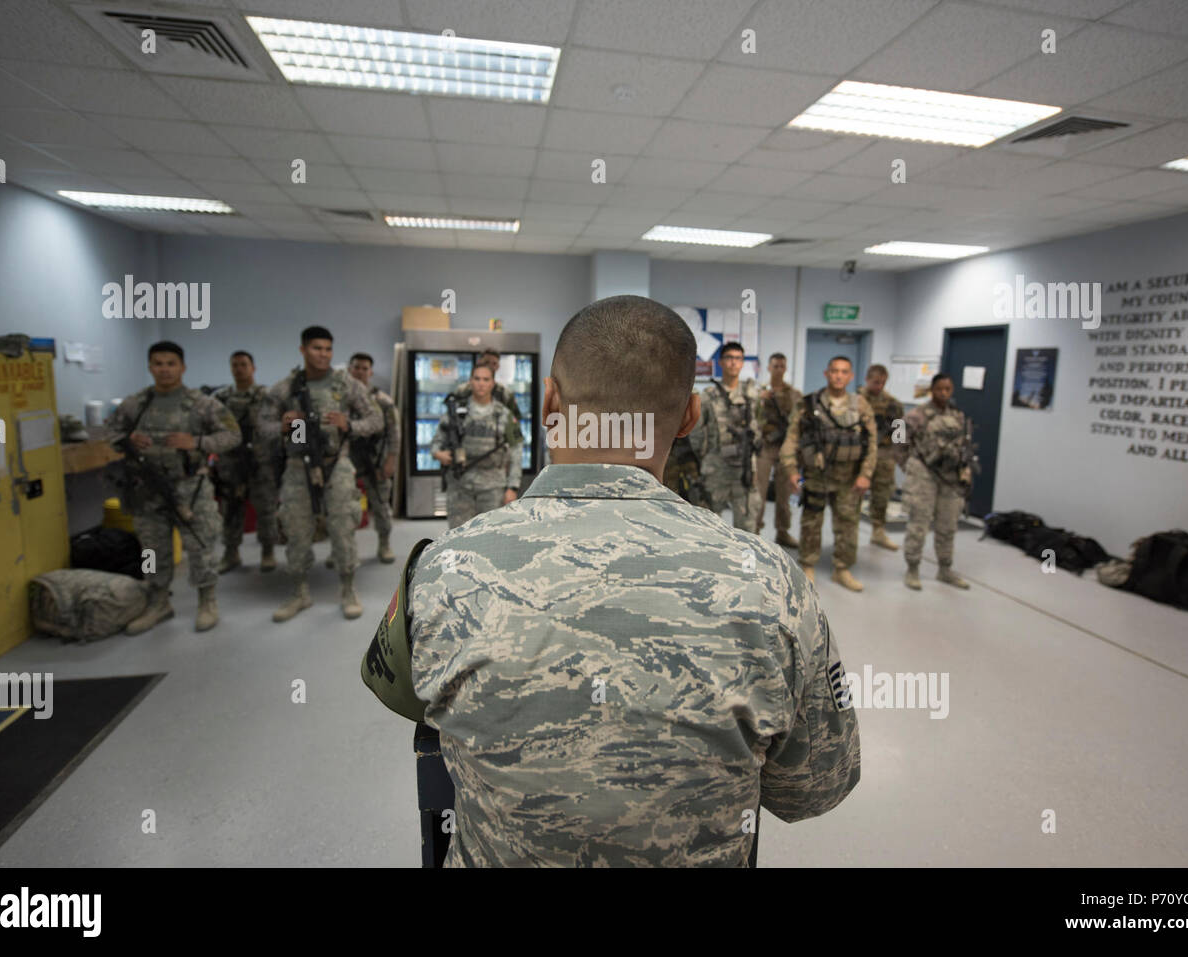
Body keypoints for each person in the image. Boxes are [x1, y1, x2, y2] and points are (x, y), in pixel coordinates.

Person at [360, 295, 860, 867]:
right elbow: (815, 788)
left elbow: (407, 703)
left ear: (549, 401)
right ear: (691, 417)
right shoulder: (772, 583)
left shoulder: (443, 568)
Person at [104, 341, 240, 634]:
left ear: (182, 367)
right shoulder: (135, 404)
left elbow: (232, 435)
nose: (164, 370)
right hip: (146, 490)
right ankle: (158, 601)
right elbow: (111, 431)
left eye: (170, 363)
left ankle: (207, 600)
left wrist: (197, 442)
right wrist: (128, 440)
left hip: (189, 488)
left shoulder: (202, 404)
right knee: (152, 550)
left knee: (200, 545)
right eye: (158, 363)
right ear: (150, 367)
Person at [259, 326, 383, 622]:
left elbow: (376, 419)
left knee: (343, 528)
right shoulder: (286, 388)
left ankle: (348, 589)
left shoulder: (347, 385)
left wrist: (348, 425)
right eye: (316, 348)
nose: (323, 355)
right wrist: (282, 426)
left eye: (328, 349)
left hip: (336, 464)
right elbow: (260, 428)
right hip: (297, 466)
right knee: (296, 530)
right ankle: (299, 591)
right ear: (302, 350)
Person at [780, 356, 877, 592]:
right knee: (811, 522)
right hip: (817, 475)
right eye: (834, 371)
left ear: (851, 376)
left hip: (849, 477)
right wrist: (792, 470)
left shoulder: (861, 405)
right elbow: (791, 439)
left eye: (844, 372)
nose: (839, 376)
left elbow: (872, 443)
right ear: (826, 373)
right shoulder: (808, 404)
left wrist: (866, 474)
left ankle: (842, 569)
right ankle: (808, 565)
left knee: (848, 524)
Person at [900, 373, 974, 591]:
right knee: (918, 523)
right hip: (924, 476)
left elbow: (964, 444)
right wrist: (909, 466)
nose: (944, 393)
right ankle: (912, 568)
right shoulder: (915, 414)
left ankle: (945, 568)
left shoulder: (958, 416)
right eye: (939, 389)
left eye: (948, 389)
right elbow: (897, 441)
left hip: (950, 478)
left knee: (948, 525)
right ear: (931, 390)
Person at [431, 360, 522, 528]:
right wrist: (438, 453)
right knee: (458, 536)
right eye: (477, 379)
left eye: (486, 379)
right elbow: (437, 440)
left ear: (493, 383)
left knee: (490, 537)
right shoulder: (456, 412)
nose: (481, 384)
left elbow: (516, 451)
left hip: (492, 486)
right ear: (470, 381)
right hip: (460, 485)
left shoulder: (504, 414)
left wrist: (513, 487)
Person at [212, 350, 279, 574]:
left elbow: (279, 427)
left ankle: (268, 551)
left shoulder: (267, 396)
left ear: (253, 368)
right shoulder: (221, 398)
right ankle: (231, 553)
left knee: (266, 509)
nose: (239, 369)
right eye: (235, 365)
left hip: (261, 464)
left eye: (243, 364)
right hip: (230, 464)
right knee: (230, 509)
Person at [694, 341, 761, 531]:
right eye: (729, 358)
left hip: (745, 468)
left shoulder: (753, 395)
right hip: (716, 469)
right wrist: (703, 458)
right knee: (709, 525)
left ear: (742, 363)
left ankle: (745, 561)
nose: (733, 363)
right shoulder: (708, 395)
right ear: (721, 362)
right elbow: (697, 431)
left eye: (738, 358)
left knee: (747, 525)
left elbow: (758, 426)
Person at [347, 352, 401, 564]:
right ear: (350, 370)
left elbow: (394, 433)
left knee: (380, 505)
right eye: (356, 367)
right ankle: (343, 550)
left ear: (370, 372)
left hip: (376, 461)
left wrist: (391, 459)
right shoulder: (342, 400)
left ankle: (384, 543)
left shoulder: (382, 401)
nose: (360, 372)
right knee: (344, 508)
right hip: (348, 462)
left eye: (364, 368)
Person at [754, 352, 803, 547]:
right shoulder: (759, 392)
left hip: (785, 448)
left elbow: (799, 422)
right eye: (775, 366)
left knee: (784, 494)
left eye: (782, 366)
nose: (779, 370)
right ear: (768, 368)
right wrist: (759, 400)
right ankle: (755, 531)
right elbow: (750, 418)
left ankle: (783, 531)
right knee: (759, 492)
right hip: (765, 447)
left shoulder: (794, 394)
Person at [858, 363, 905, 552]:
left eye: (883, 383)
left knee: (882, 494)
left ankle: (878, 530)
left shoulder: (893, 404)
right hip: (859, 454)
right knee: (852, 495)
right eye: (876, 382)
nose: (879, 386)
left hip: (884, 454)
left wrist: (897, 454)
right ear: (867, 380)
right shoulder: (855, 401)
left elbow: (900, 434)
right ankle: (849, 533)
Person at [446, 347, 523, 425]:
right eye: (487, 362)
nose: (490, 366)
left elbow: (515, 419)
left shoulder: (504, 393)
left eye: (494, 363)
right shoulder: (463, 391)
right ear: (479, 362)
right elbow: (450, 416)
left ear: (498, 366)